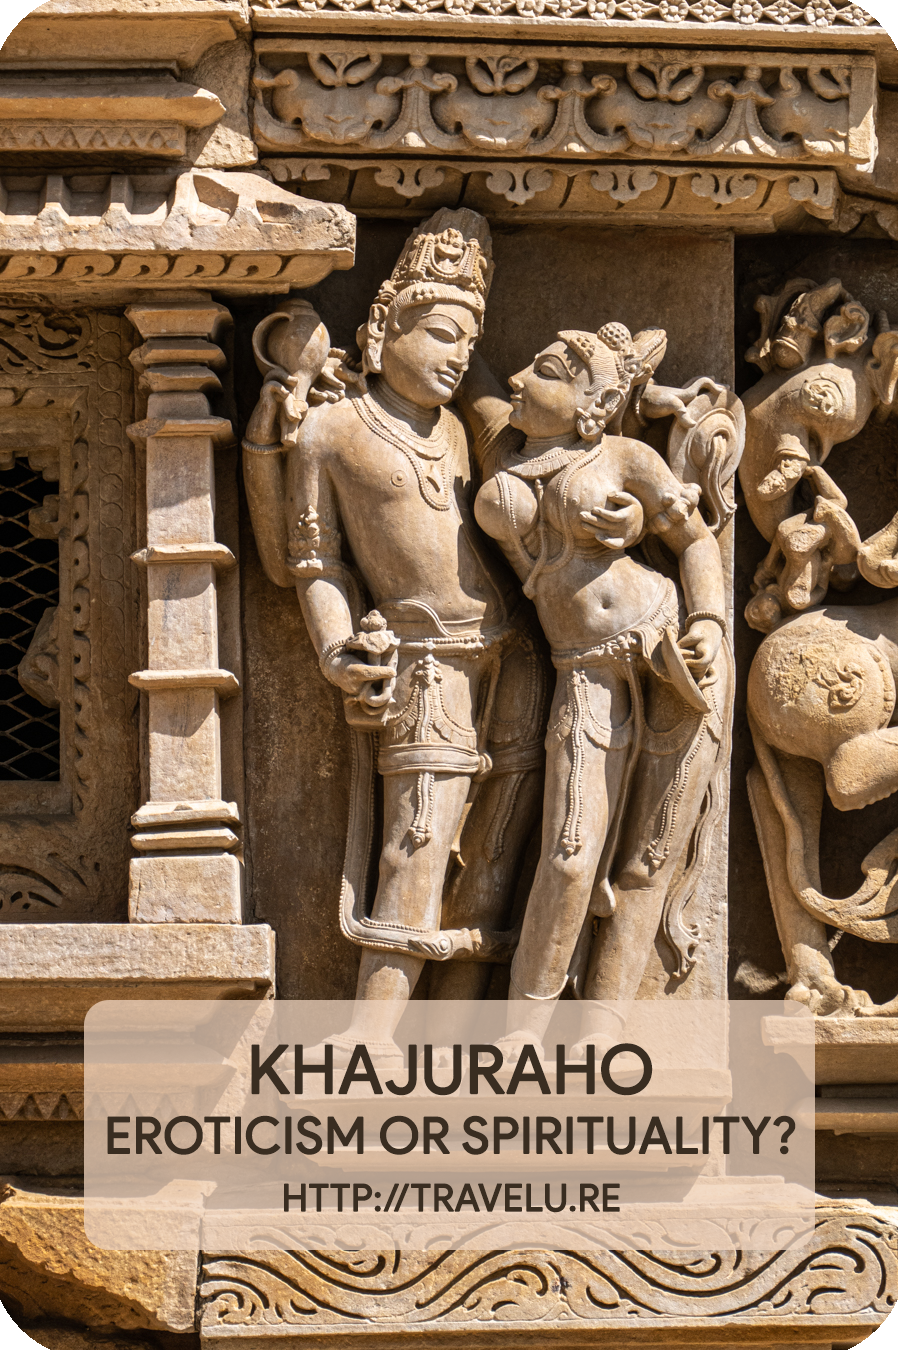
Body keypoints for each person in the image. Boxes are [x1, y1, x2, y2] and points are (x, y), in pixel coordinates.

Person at [241, 209, 545, 1060]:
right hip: (422, 659)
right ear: (382, 327)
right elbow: (312, 564)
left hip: (514, 655)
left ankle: (453, 1033)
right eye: (441, 333)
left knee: (493, 844)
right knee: (417, 842)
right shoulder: (334, 431)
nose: (457, 356)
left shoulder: (459, 428)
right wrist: (336, 649)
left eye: (469, 341)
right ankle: (371, 1035)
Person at [467, 322, 735, 1054]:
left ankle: (602, 1038)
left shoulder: (622, 456)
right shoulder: (501, 448)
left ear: (597, 405)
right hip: (582, 669)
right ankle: (521, 1034)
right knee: (570, 853)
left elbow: (696, 542)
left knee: (650, 856)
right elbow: (471, 366)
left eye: (547, 371)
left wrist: (709, 623)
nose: (522, 378)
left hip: (671, 651)